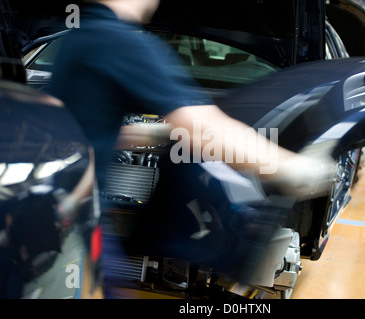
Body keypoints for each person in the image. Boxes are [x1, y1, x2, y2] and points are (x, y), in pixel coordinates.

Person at [50, 0, 335, 298]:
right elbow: (203, 127)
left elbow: (84, 124)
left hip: (58, 215)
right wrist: (291, 167)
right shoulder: (117, 41)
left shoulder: (75, 36)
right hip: (78, 227)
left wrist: (142, 133)